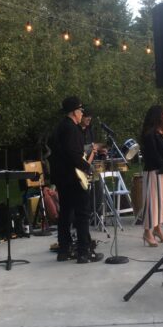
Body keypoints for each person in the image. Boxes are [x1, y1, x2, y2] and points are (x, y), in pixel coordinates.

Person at [48, 96, 104, 263]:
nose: (82, 113)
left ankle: (64, 250)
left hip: (62, 178)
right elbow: (73, 155)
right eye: (80, 110)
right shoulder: (72, 128)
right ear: (74, 111)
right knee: (82, 214)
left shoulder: (60, 127)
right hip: (73, 178)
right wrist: (88, 167)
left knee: (65, 213)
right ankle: (83, 252)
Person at [140, 105, 163, 246]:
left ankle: (158, 229)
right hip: (154, 171)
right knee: (152, 202)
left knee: (162, 202)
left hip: (162, 171)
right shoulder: (150, 134)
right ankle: (147, 232)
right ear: (157, 116)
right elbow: (153, 155)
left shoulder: (161, 132)